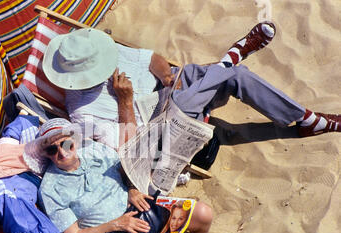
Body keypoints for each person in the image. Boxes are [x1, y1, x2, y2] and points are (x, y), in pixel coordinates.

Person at [41, 22, 340, 152]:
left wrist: (167, 76)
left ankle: (304, 120)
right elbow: (129, 145)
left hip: (173, 84)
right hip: (161, 122)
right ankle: (230, 60)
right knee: (229, 75)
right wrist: (125, 101)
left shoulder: (104, 50)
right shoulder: (81, 111)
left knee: (237, 77)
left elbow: (152, 58)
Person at [28, 118, 234, 233]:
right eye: (51, 150)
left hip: (144, 211)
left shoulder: (95, 150)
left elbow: (126, 170)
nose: (61, 153)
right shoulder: (50, 189)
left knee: (204, 213)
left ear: (73, 140)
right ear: (45, 154)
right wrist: (116, 224)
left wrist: (132, 189)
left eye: (64, 144)